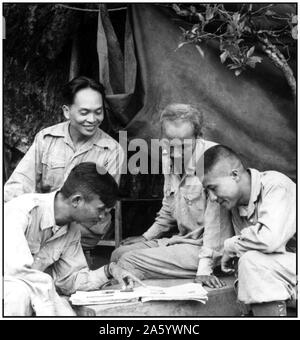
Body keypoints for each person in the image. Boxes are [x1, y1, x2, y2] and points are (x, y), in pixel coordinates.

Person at [111, 104, 233, 288]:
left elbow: (218, 227)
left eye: (183, 144)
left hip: (210, 249)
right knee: (118, 254)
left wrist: (204, 270)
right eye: (168, 141)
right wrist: (147, 237)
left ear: (198, 138)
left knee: (128, 261)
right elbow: (169, 205)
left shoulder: (214, 162)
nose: (175, 150)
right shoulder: (170, 158)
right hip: (183, 240)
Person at [4, 76, 124, 251]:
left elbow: (100, 207)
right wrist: (12, 216)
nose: (92, 119)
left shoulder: (111, 150)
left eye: (98, 112)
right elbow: (19, 184)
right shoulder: (46, 138)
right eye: (84, 112)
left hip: (83, 230)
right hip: (39, 226)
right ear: (67, 111)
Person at [4, 162, 138, 316]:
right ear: (76, 200)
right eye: (100, 209)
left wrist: (109, 270)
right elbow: (16, 273)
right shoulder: (20, 212)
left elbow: (69, 282)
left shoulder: (71, 230)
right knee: (18, 294)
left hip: (26, 295)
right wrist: (57, 307)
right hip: (9, 291)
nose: (102, 217)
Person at [202, 145, 296, 316]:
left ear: (235, 175)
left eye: (213, 188)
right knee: (248, 263)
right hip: (286, 281)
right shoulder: (235, 205)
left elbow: (269, 240)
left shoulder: (276, 185)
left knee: (251, 262)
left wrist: (230, 245)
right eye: (207, 191)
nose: (212, 198)